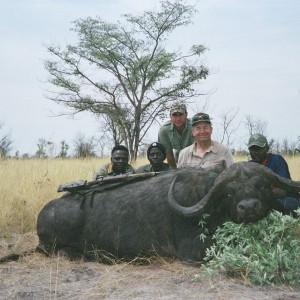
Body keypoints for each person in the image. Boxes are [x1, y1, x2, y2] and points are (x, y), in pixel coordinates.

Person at [248, 133, 300, 214]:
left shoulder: (277, 160)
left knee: (287, 205)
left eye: (259, 149)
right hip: (260, 201)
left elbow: (282, 190)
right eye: (252, 149)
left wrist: (260, 197)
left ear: (267, 149)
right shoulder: (248, 166)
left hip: (283, 198)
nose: (255, 152)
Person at [158, 101, 194, 169]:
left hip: (195, 158)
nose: (178, 119)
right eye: (174, 115)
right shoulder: (164, 130)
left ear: (186, 115)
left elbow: (198, 149)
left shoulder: (194, 126)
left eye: (180, 114)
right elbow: (169, 155)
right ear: (170, 116)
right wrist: (175, 171)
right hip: (177, 158)